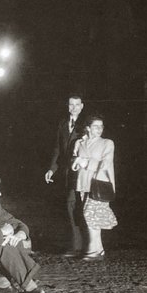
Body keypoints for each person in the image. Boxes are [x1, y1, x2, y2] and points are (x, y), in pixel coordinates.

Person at [44, 95, 88, 254]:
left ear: (82, 106)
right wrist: (52, 169)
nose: (74, 107)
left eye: (77, 104)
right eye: (71, 104)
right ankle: (76, 244)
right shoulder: (62, 124)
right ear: (67, 106)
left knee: (76, 205)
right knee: (70, 205)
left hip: (82, 171)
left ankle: (81, 245)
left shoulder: (86, 125)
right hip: (66, 172)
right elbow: (58, 148)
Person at [72, 115, 117, 260]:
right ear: (88, 128)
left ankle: (93, 249)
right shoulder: (80, 143)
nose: (99, 129)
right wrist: (77, 160)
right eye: (96, 126)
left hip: (99, 184)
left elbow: (106, 164)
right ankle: (98, 250)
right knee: (91, 218)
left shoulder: (107, 143)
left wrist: (84, 162)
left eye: (101, 126)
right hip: (83, 184)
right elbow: (73, 161)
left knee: (90, 215)